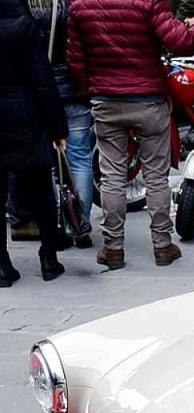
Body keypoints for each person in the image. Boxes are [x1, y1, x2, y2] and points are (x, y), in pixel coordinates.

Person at [66, 0, 194, 270]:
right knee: (156, 176)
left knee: (111, 176)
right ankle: (162, 245)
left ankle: (113, 248)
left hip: (105, 98)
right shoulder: (150, 1)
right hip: (148, 98)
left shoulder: (80, 4)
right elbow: (180, 42)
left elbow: (76, 58)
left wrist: (89, 90)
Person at [0, 0, 69, 284]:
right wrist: (58, 128)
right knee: (40, 189)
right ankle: (48, 257)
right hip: (26, 116)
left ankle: (2, 265)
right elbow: (43, 81)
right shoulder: (24, 27)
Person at [29, 0, 94, 249]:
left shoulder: (27, 10)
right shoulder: (73, 6)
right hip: (73, 90)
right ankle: (80, 225)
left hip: (40, 96)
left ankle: (57, 227)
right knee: (80, 159)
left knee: (47, 165)